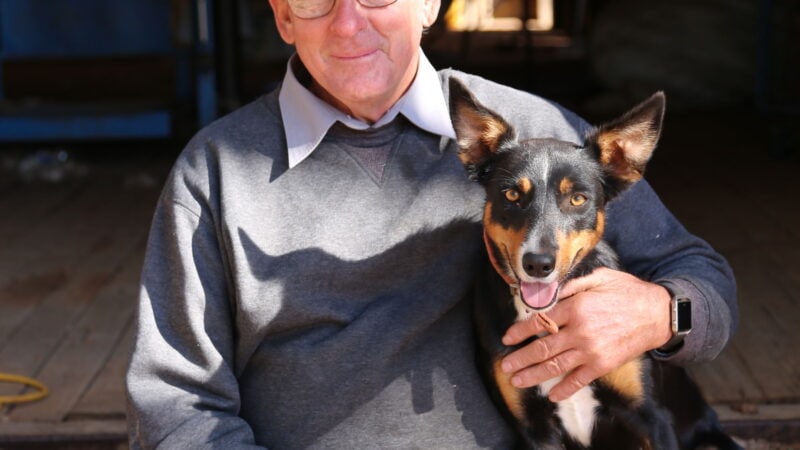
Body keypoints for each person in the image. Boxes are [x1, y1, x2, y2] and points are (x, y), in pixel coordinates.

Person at [125, 0, 737, 446]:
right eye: (314, 1)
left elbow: (700, 278)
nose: (347, 21)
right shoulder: (216, 172)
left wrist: (662, 313)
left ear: (428, 4)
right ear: (283, 16)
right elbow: (175, 402)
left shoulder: (540, 133)